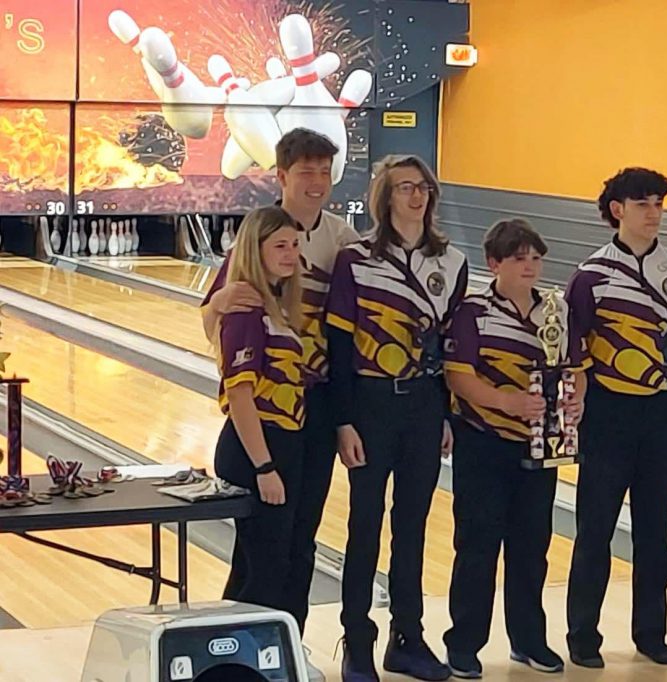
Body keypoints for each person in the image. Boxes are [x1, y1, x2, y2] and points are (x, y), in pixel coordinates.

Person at [202, 129, 359, 682]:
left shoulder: (343, 238)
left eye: (324, 171)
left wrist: (344, 418)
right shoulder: (258, 237)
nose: (316, 182)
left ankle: (273, 647)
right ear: (282, 176)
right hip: (269, 419)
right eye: (305, 172)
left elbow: (348, 335)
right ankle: (250, 654)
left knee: (295, 540)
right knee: (269, 549)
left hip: (312, 412)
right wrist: (219, 302)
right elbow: (214, 325)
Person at [325, 154, 468, 682]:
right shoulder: (355, 258)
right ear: (385, 198)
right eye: (405, 187)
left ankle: (407, 638)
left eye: (423, 187)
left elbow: (451, 345)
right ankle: (357, 640)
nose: (416, 195)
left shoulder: (451, 261)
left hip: (425, 407)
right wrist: (343, 420)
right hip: (370, 403)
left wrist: (449, 413)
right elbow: (338, 344)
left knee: (412, 527)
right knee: (364, 525)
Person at [564, 167, 667, 668]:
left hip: (661, 413)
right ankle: (582, 635)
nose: (654, 212)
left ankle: (651, 632)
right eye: (643, 203)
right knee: (595, 529)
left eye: (659, 203)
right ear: (617, 210)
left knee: (654, 531)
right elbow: (572, 353)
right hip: (607, 414)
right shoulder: (589, 276)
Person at [442, 219, 589, 678]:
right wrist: (507, 400)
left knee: (532, 548)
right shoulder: (473, 311)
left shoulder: (557, 311)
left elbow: (575, 366)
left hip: (540, 444)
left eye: (535, 258)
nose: (529, 266)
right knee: (477, 546)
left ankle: (528, 640)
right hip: (484, 443)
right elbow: (457, 376)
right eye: (518, 258)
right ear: (494, 264)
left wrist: (576, 396)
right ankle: (464, 643)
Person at [213, 205, 307, 619]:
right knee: (266, 571)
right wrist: (265, 466)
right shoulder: (246, 309)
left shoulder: (277, 305)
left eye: (295, 245)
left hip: (280, 444)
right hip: (255, 449)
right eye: (280, 246)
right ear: (256, 248)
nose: (290, 254)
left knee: (258, 568)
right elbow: (240, 397)